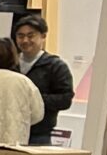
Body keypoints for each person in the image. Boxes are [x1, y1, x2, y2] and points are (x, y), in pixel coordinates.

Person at [10, 9, 73, 146]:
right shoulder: (10, 63)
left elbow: (65, 99)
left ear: (43, 36)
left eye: (31, 36)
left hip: (39, 134)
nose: (25, 40)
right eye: (20, 36)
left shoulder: (56, 66)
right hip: (10, 131)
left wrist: (33, 99)